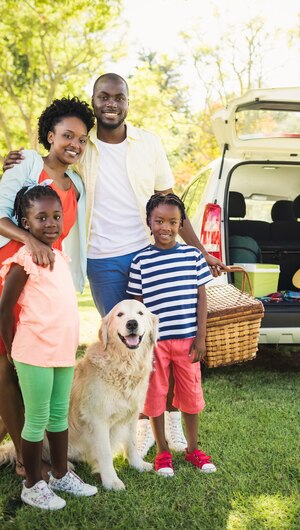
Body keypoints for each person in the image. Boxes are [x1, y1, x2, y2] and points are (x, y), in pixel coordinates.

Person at [3, 73, 225, 455]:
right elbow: (47, 160)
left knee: (163, 339)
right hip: (101, 261)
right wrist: (17, 158)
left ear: (128, 101)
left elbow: (170, 202)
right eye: (102, 97)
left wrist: (200, 249)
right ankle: (132, 426)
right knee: (121, 346)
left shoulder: (147, 143)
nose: (111, 103)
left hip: (146, 255)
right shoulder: (82, 149)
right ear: (93, 102)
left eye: (118, 97)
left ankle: (167, 425)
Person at [0, 97, 94, 476]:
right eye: (67, 135)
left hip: (41, 281)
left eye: (82, 139)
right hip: (9, 269)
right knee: (6, 363)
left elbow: (63, 237)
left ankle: (32, 447)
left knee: (34, 366)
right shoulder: (26, 165)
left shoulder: (76, 185)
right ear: (50, 136)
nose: (74, 144)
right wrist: (32, 242)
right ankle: (26, 460)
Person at [0, 184, 97, 510]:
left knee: (58, 417)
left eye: (56, 216)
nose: (51, 223)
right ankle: (32, 483)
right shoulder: (24, 259)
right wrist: (13, 349)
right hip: (33, 354)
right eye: (41, 217)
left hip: (62, 352)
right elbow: (4, 311)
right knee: (37, 418)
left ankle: (59, 474)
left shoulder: (59, 256)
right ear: (25, 224)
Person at [127, 193, 216, 477]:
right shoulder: (140, 261)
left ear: (181, 224)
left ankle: (192, 449)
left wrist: (200, 338)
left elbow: (202, 299)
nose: (166, 227)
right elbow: (137, 309)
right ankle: (163, 450)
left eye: (173, 222)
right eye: (159, 221)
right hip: (155, 345)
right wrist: (141, 345)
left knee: (190, 395)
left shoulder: (193, 256)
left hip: (188, 342)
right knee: (155, 396)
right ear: (149, 223)